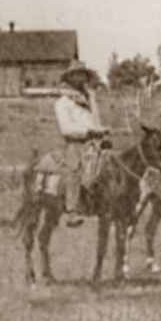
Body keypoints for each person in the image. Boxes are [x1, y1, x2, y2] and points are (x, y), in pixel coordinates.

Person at [54, 60, 109, 226]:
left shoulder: (88, 100)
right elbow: (66, 129)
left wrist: (101, 130)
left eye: (83, 74)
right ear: (69, 78)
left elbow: (96, 122)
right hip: (75, 143)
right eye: (76, 74)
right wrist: (89, 132)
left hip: (94, 142)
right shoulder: (63, 103)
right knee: (74, 170)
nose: (81, 78)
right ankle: (72, 211)